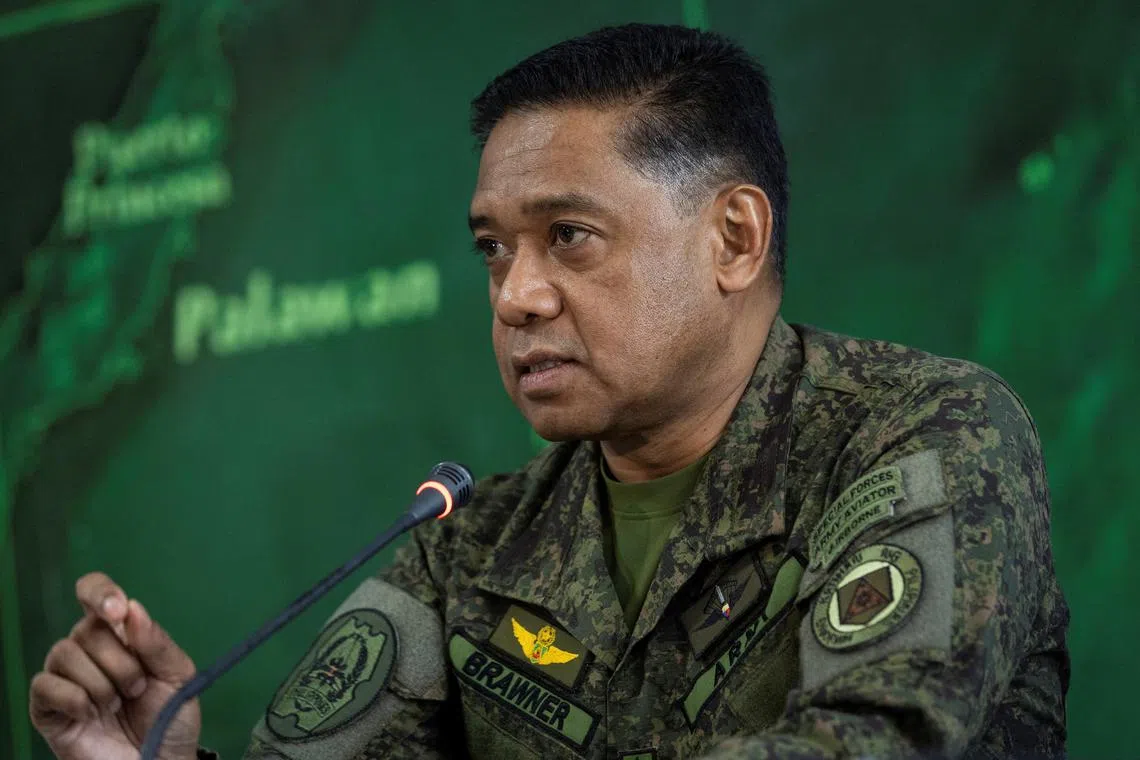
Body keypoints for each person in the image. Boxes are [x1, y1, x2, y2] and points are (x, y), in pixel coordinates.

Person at [28, 22, 1069, 760]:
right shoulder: (470, 543)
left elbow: (869, 739)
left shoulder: (922, 434)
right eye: (493, 250)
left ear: (734, 238)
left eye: (569, 237)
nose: (518, 295)